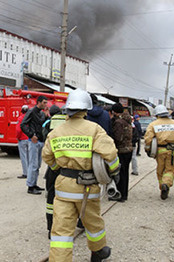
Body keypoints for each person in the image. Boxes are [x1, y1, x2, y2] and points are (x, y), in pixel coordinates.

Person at [42, 88, 120, 262]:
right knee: (93, 223)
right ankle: (98, 251)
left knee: (61, 231)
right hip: (87, 188)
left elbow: (47, 156)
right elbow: (111, 154)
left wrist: (57, 167)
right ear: (86, 109)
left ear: (68, 109)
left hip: (63, 187)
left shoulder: (56, 132)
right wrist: (114, 172)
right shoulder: (94, 130)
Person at [144, 104, 174, 200]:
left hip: (160, 151)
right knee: (170, 170)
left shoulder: (153, 124)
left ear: (157, 114)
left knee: (160, 170)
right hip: (173, 151)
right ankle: (166, 184)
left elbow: (148, 139)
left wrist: (148, 150)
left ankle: (162, 185)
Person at [42, 105, 66, 239]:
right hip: (68, 167)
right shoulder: (69, 124)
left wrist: (53, 165)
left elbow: (45, 146)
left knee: (51, 197)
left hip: (53, 167)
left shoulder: (47, 124)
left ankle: (51, 229)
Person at [20, 95, 48, 195]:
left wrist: (46, 116)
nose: (46, 104)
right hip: (33, 141)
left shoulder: (41, 113)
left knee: (38, 164)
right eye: (44, 102)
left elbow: (41, 124)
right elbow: (23, 124)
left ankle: (34, 183)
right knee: (33, 164)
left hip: (40, 141)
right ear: (39, 102)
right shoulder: (31, 111)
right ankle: (30, 186)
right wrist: (31, 135)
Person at [110, 103, 133, 202]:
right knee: (125, 173)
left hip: (121, 150)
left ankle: (120, 195)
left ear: (114, 112)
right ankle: (124, 194)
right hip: (128, 149)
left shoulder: (119, 122)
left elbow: (118, 137)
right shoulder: (127, 120)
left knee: (120, 173)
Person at [16, 105, 30, 179]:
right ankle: (30, 172)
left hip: (22, 139)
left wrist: (18, 137)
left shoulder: (21, 118)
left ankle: (25, 173)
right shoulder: (31, 118)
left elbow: (18, 130)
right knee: (29, 157)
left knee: (23, 157)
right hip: (30, 139)